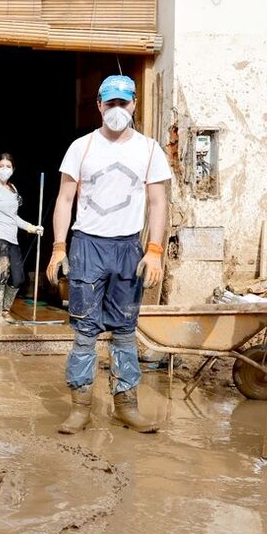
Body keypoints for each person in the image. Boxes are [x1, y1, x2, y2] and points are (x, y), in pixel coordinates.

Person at [46, 75, 171, 435]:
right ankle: (81, 408)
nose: (117, 110)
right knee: (84, 333)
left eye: (124, 103)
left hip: (128, 247)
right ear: (99, 106)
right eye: (110, 103)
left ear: (134, 105)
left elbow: (158, 201)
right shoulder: (81, 147)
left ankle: (126, 406)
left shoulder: (149, 150)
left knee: (125, 332)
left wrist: (155, 251)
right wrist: (58, 248)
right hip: (87, 245)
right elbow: (65, 199)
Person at [0, 152, 43, 324]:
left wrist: (31, 227)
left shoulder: (12, 189)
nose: (4, 169)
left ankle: (5, 311)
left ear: (13, 169)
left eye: (8, 166)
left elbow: (13, 217)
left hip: (12, 237)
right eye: (1, 166)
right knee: (1, 274)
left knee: (18, 277)